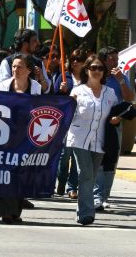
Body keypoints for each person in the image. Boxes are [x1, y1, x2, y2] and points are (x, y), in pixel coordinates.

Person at [66, 55, 119, 225]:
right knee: (86, 174)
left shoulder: (110, 93)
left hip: (100, 140)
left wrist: (117, 118)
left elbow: (115, 113)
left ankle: (83, 210)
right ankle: (85, 213)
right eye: (93, 67)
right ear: (87, 70)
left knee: (92, 175)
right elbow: (68, 114)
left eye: (100, 68)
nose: (97, 71)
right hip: (79, 138)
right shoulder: (77, 91)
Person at [0, 54, 41, 224]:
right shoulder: (2, 86)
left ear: (29, 70)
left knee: (22, 173)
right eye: (14, 66)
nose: (16, 70)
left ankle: (16, 211)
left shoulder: (36, 88)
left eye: (20, 66)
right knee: (6, 172)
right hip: (4, 137)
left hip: (27, 137)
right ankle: (6, 212)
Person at [93, 47, 134, 210]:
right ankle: (96, 195)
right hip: (96, 123)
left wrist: (121, 81)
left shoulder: (121, 78)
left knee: (111, 162)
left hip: (114, 123)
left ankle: (104, 196)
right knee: (98, 159)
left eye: (116, 59)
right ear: (103, 60)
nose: (115, 62)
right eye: (111, 58)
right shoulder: (96, 75)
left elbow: (130, 98)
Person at [54, 49, 87, 199]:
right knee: (64, 154)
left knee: (76, 156)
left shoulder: (87, 79)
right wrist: (61, 90)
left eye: (79, 60)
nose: (75, 62)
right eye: (73, 59)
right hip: (65, 120)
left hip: (81, 121)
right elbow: (54, 97)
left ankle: (72, 187)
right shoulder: (63, 76)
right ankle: (61, 181)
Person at [0, 29, 50, 93]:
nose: (38, 43)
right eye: (34, 41)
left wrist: (41, 78)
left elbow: (46, 90)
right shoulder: (7, 62)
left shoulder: (38, 62)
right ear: (25, 44)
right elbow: (2, 87)